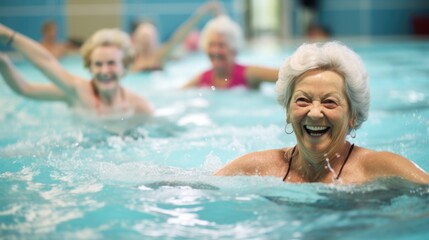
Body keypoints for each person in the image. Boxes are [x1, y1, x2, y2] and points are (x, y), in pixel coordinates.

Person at [214, 41, 429, 184]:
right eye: (302, 100)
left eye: (329, 102)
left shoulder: (380, 170)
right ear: (287, 111)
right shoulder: (257, 168)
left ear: (353, 116)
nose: (315, 113)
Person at [0, 24, 153, 132]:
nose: (105, 70)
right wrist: (4, 56)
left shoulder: (140, 107)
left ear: (124, 66)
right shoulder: (76, 92)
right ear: (89, 67)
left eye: (111, 63)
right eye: (98, 64)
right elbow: (27, 86)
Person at [182, 15, 278, 90]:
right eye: (211, 45)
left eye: (221, 45)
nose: (215, 51)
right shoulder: (202, 79)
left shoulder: (248, 74)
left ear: (233, 50)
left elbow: (286, 76)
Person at [130, 1, 221, 72]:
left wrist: (201, 14)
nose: (146, 41)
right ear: (136, 40)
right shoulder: (132, 57)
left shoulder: (160, 55)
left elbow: (180, 36)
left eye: (149, 37)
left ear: (155, 39)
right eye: (144, 37)